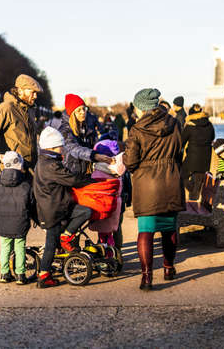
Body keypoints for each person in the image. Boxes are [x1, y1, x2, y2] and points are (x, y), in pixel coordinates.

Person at [123, 88, 185, 291]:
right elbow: (179, 150)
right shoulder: (174, 123)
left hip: (147, 185)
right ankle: (168, 268)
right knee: (169, 229)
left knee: (146, 231)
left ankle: (147, 277)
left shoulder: (137, 129)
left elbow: (131, 162)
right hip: (170, 181)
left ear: (141, 107)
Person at [33, 126, 94, 288]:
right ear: (52, 147)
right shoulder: (51, 166)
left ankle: (66, 237)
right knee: (51, 245)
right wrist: (91, 180)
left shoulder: (46, 161)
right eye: (60, 146)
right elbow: (72, 180)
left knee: (84, 212)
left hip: (55, 208)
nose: (63, 148)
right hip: (53, 212)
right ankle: (44, 275)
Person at [0, 74, 43, 174]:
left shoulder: (30, 110)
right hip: (13, 170)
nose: (35, 96)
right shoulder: (7, 108)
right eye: (33, 92)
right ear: (20, 90)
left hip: (29, 170)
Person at [0, 151, 32, 285]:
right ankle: (20, 275)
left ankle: (4, 273)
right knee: (20, 247)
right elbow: (31, 201)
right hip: (20, 222)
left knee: (5, 247)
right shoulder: (25, 185)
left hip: (3, 223)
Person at [59, 94, 112, 175]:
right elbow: (74, 148)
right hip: (71, 172)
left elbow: (94, 144)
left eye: (84, 109)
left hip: (87, 171)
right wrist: (94, 155)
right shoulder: (65, 130)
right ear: (72, 113)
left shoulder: (87, 127)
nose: (83, 112)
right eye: (79, 110)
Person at [89, 139, 125, 248]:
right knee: (112, 232)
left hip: (101, 208)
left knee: (104, 236)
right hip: (116, 206)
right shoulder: (118, 171)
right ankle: (115, 252)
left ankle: (107, 256)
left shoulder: (97, 173)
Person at [181, 104, 215, 199]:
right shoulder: (209, 125)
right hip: (205, 158)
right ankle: (194, 203)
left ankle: (192, 193)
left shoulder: (190, 126)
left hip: (192, 157)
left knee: (182, 176)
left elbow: (181, 141)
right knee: (198, 182)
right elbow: (212, 137)